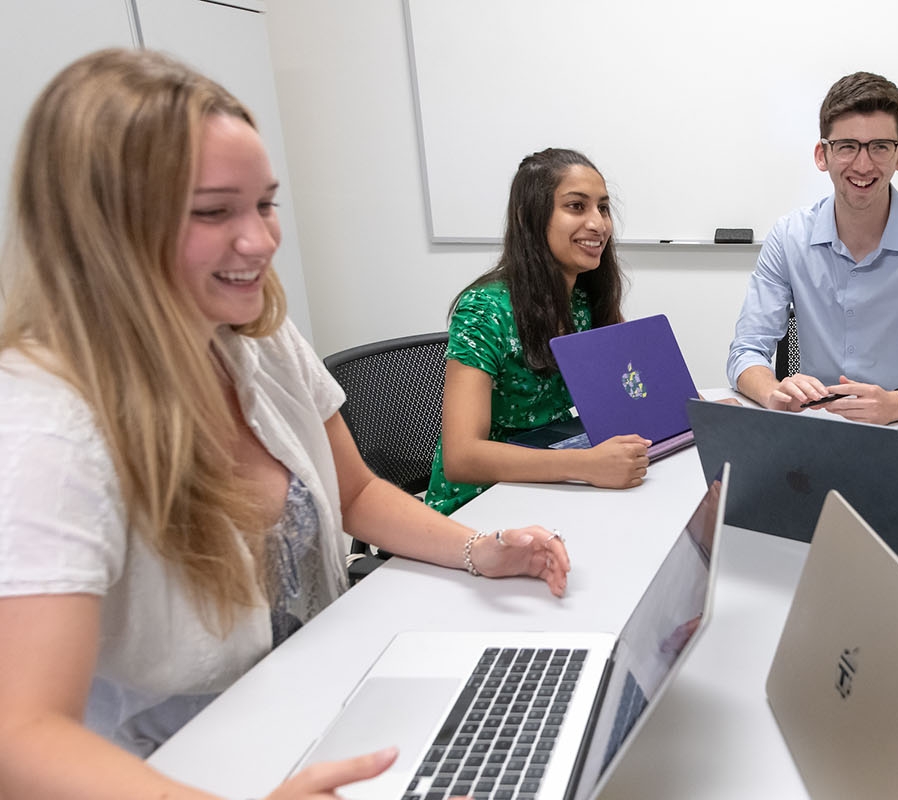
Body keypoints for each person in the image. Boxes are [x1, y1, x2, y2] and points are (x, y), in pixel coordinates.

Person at [0, 49, 570, 798]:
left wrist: (479, 552)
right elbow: (22, 738)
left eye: (265, 204)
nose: (261, 241)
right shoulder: (45, 427)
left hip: (313, 710)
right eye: (213, 212)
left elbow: (355, 494)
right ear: (101, 229)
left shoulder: (255, 337)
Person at [725, 71, 898, 425]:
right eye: (847, 147)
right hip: (820, 425)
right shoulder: (789, 237)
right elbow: (746, 351)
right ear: (822, 154)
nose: (863, 164)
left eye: (879, 147)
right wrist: (772, 392)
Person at [426, 148, 649, 516]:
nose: (598, 224)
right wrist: (586, 465)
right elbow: (462, 457)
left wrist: (693, 412)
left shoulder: (585, 299)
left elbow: (628, 390)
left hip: (556, 483)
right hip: (483, 500)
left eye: (603, 208)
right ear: (530, 217)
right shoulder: (484, 309)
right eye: (577, 206)